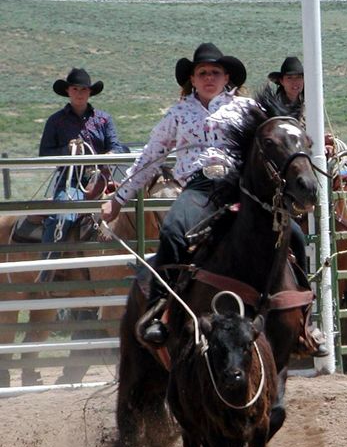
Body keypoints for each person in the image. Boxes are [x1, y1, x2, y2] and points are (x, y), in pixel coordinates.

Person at [101, 43, 326, 356]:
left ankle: (304, 320)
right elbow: (150, 158)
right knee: (173, 231)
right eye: (202, 72)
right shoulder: (177, 114)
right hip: (200, 187)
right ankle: (159, 312)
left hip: (243, 188)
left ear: (226, 77)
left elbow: (279, 136)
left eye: (215, 72)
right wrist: (118, 198)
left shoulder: (247, 109)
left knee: (296, 237)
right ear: (192, 79)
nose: (209, 77)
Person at [39, 67, 127, 246]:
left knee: (136, 213)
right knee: (61, 217)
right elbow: (45, 154)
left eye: (84, 89)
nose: (79, 93)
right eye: (75, 89)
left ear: (90, 92)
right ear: (68, 91)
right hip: (70, 181)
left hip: (102, 179)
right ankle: (47, 267)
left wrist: (110, 155)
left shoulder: (103, 119)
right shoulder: (55, 121)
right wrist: (67, 150)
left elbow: (117, 147)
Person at [268, 56, 305, 123]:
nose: (295, 82)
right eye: (289, 78)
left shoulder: (312, 103)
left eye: (299, 77)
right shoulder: (274, 108)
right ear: (282, 81)